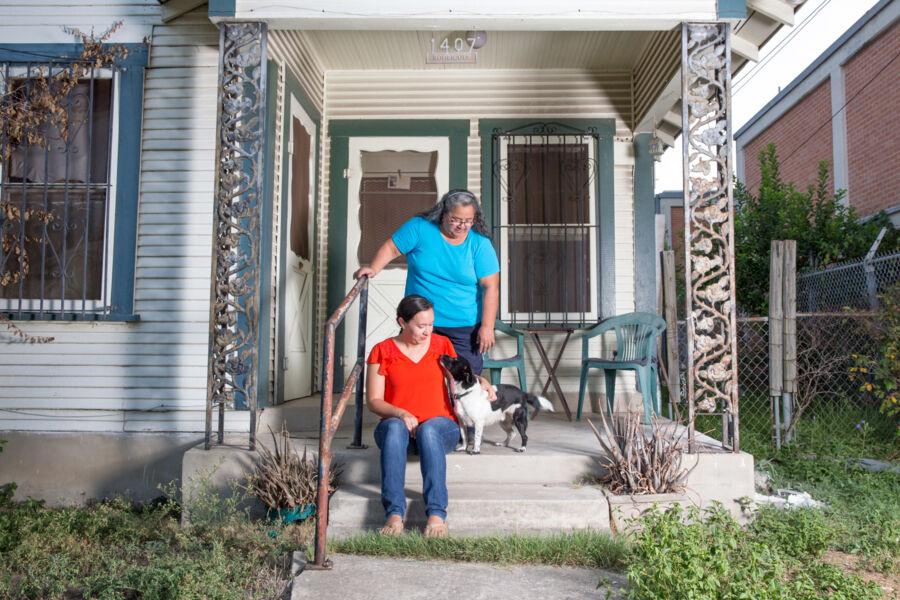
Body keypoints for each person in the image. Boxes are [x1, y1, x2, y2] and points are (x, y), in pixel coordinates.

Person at [354, 189, 500, 374]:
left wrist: (487, 326)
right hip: (420, 321)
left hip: (464, 326)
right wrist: (373, 268)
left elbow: (491, 287)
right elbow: (392, 248)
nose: (462, 226)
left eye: (468, 221)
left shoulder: (479, 244)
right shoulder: (420, 228)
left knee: (463, 381)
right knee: (415, 375)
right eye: (455, 219)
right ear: (443, 213)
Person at [366, 295, 460, 537]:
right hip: (398, 432)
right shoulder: (382, 350)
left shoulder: (442, 345)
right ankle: (394, 514)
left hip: (441, 427)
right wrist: (400, 412)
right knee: (395, 427)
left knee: (429, 429)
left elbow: (460, 378)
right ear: (402, 321)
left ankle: (437, 515)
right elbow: (374, 401)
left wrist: (483, 383)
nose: (427, 331)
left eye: (430, 324)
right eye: (421, 325)